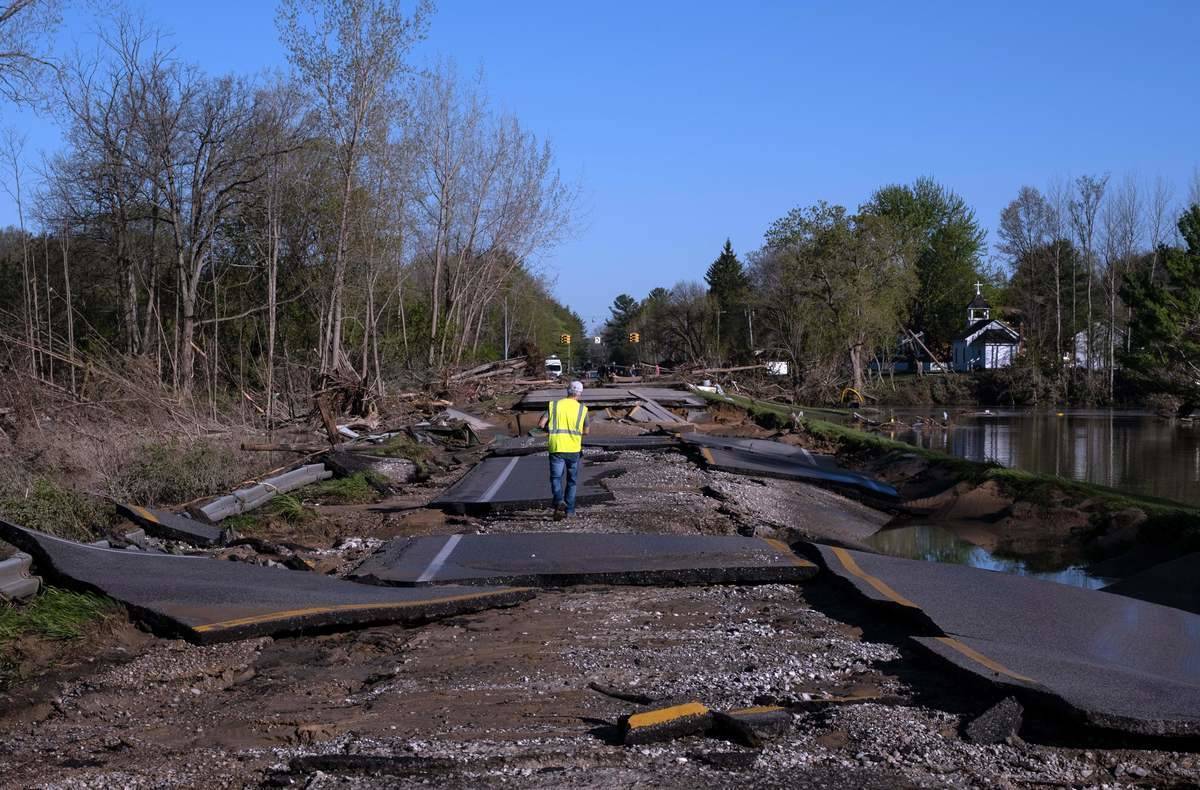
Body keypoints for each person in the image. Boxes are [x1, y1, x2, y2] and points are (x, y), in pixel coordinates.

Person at [538, 380, 589, 520]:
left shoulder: (554, 406)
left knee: (556, 478)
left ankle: (559, 500)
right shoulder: (582, 409)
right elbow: (586, 431)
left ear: (567, 391)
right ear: (580, 394)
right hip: (573, 449)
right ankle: (570, 511)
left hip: (557, 447)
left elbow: (541, 424)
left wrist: (551, 429)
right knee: (572, 481)